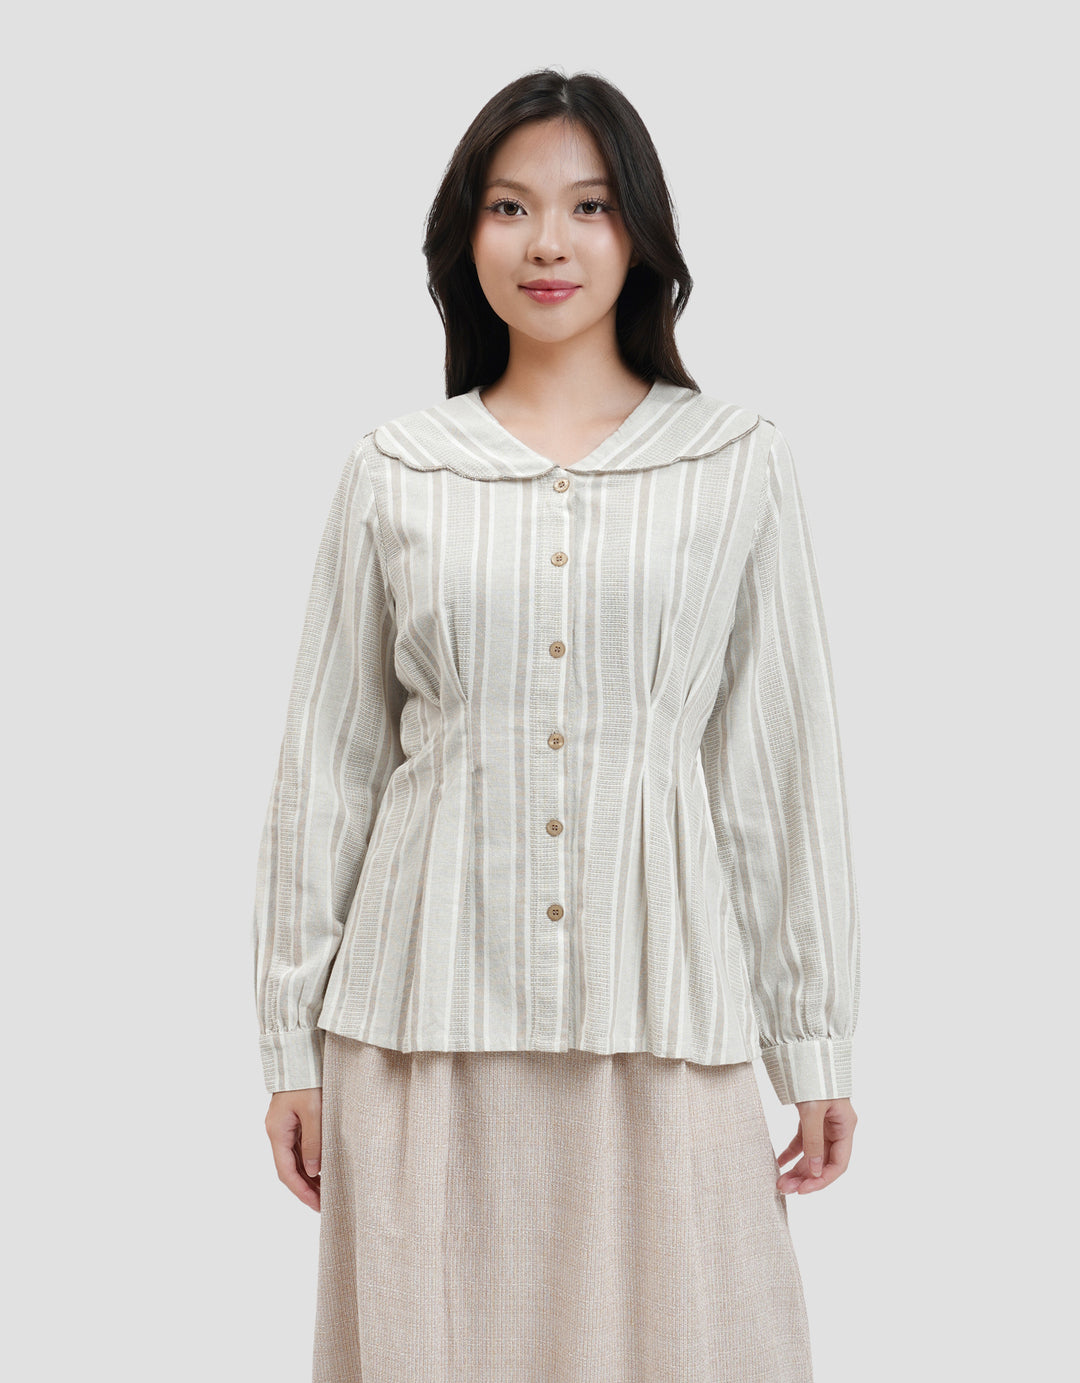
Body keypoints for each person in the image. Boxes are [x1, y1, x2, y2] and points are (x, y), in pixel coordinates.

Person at [253, 67, 861, 1383]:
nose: (547, 243)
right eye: (509, 206)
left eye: (588, 206)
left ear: (640, 232)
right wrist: (288, 1041)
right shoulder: (395, 469)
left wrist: (812, 1037)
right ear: (463, 237)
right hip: (417, 1025)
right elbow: (328, 771)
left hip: (667, 1012)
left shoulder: (735, 462)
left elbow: (775, 768)